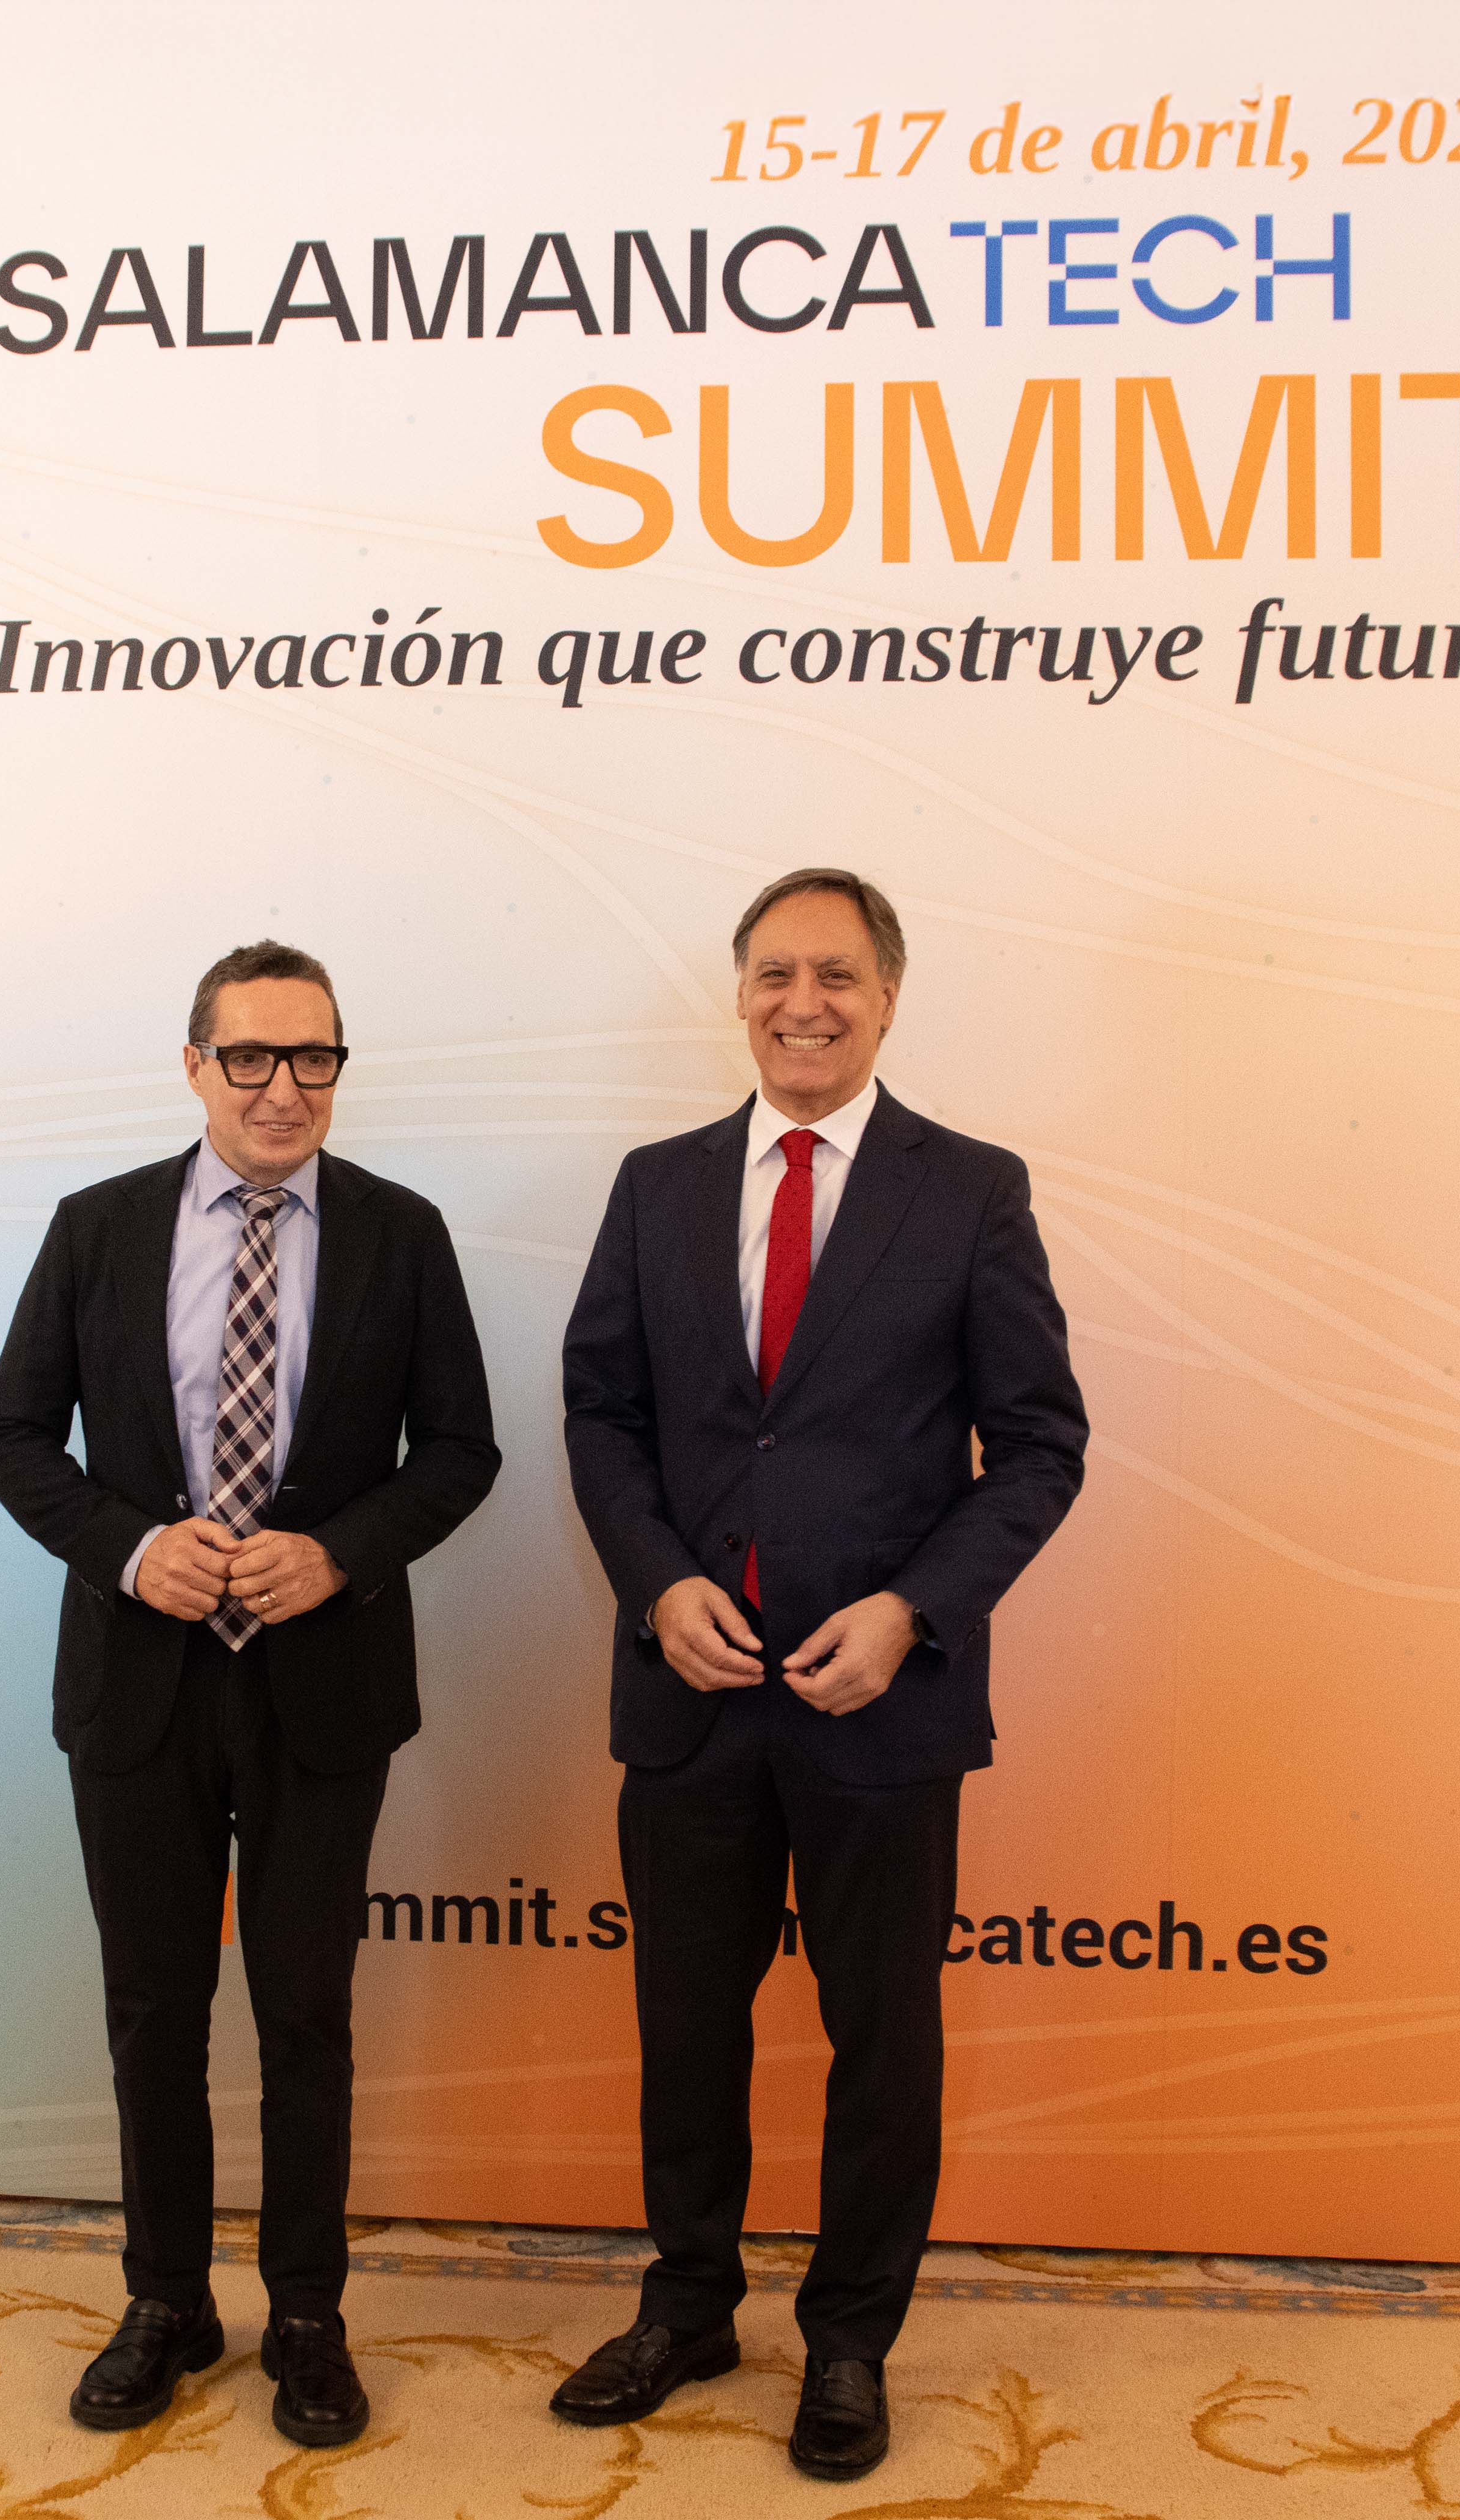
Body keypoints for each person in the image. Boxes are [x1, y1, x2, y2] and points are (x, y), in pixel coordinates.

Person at [547, 869, 1088, 2481]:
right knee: (685, 2025)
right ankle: (688, 2305)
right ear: (740, 994)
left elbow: (1039, 1445)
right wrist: (659, 1584)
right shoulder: (656, 1185)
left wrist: (915, 1609)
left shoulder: (971, 1189)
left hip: (881, 1705)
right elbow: (601, 1414)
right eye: (777, 972)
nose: (806, 1002)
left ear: (888, 997)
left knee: (883, 2039)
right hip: (692, 1693)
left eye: (838, 975)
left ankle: (850, 2340)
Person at [0, 939, 499, 2448]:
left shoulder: (403, 1232)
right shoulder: (97, 1227)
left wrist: (339, 1555)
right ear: (195, 1065)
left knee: (306, 2012)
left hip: (322, 1689)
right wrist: (134, 1550)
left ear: (338, 1067)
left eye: (313, 1057)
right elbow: (12, 1437)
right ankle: (166, 2301)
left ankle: (308, 2314)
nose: (283, 1088)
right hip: (137, 1688)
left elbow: (460, 1451)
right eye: (252, 1057)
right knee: (154, 2009)